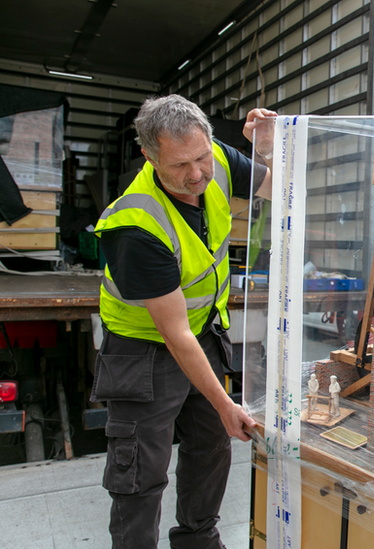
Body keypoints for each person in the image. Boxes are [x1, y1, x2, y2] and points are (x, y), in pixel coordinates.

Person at [91, 94, 277, 548]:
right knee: (140, 473)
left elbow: (282, 188)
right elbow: (173, 334)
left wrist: (268, 149)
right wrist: (223, 402)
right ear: (149, 156)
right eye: (179, 166)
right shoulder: (134, 223)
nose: (196, 174)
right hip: (143, 350)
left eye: (200, 157)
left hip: (204, 335)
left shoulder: (213, 156)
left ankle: (198, 541)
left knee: (211, 452)